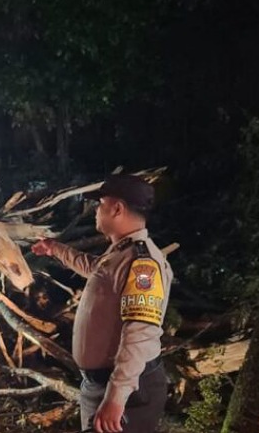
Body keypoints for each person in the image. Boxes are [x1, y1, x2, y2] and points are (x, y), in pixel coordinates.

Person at [31, 174, 172, 433]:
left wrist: (117, 396)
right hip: (101, 385)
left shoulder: (142, 263)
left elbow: (141, 331)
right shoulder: (121, 253)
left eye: (100, 204)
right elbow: (94, 268)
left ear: (117, 208)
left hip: (129, 391)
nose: (96, 210)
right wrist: (55, 249)